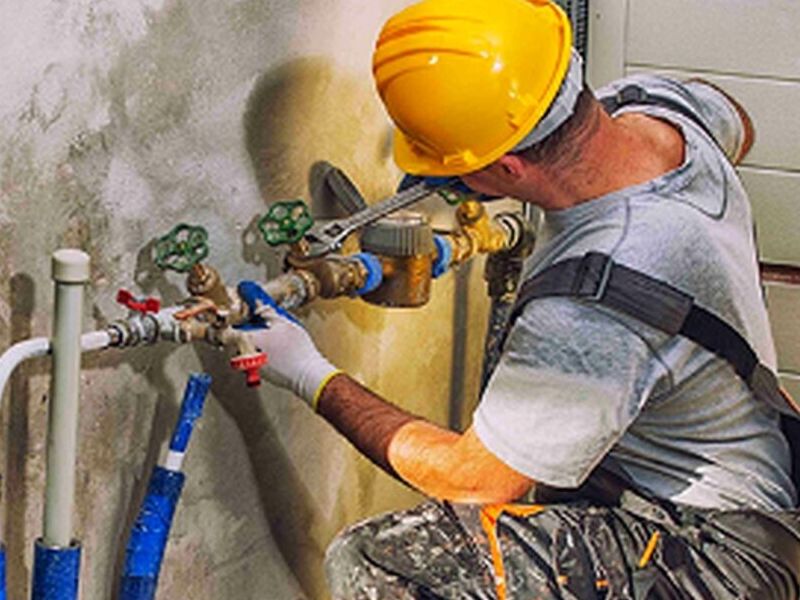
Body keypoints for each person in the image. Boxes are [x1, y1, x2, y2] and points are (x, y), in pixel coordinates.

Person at [247, 0, 800, 597]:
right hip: (753, 481)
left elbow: (472, 480)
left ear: (509, 168)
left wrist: (307, 372)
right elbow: (736, 118)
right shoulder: (659, 108)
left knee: (379, 560)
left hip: (718, 558)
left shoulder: (590, 308)